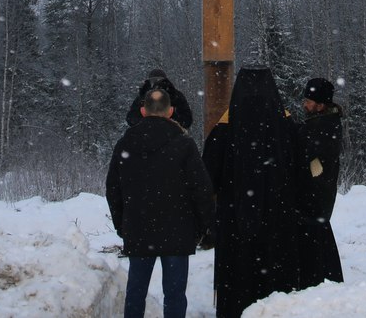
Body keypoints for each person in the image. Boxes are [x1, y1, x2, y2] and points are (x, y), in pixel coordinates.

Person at [201, 66, 302, 318]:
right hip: (277, 217)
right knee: (276, 275)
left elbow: (208, 176)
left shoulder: (225, 127)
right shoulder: (286, 126)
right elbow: (301, 169)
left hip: (236, 220)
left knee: (238, 274)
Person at [106, 87, 215, 318]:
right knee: (175, 296)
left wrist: (122, 225)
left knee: (135, 292)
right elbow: (202, 189)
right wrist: (201, 227)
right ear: (171, 111)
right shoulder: (184, 145)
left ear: (143, 111)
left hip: (138, 228)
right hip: (177, 229)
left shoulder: (125, 144)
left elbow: (113, 189)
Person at [296, 76, 344, 288]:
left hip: (315, 193)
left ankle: (317, 280)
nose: (305, 105)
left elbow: (305, 150)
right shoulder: (323, 123)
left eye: (308, 101)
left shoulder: (322, 125)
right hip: (318, 192)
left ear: (320, 105)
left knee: (314, 238)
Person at [126, 68, 194, 132]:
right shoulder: (176, 95)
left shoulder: (175, 95)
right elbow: (131, 118)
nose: (157, 83)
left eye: (159, 80)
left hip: (153, 135)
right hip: (165, 135)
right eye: (154, 80)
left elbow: (187, 120)